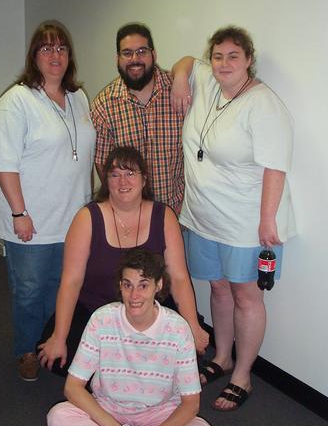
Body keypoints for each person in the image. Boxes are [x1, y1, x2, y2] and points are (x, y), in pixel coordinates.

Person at [171, 26, 296, 411]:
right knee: (218, 288)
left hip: (245, 223)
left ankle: (243, 375)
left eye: (233, 57)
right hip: (203, 217)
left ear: (249, 60)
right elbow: (186, 62)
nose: (224, 64)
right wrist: (180, 78)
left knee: (246, 296)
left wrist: (267, 221)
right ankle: (222, 357)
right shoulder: (209, 81)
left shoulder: (264, 104)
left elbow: (275, 167)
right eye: (218, 56)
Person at [46, 249, 221, 426]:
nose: (134, 295)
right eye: (127, 285)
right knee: (58, 417)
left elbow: (191, 404)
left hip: (159, 411)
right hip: (109, 407)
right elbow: (72, 387)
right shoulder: (102, 319)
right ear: (120, 286)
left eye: (143, 285)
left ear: (158, 285)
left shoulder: (178, 329)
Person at [0, 20, 95, 381]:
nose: (55, 55)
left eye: (61, 48)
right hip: (29, 217)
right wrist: (19, 212)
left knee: (62, 285)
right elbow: (4, 163)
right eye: (46, 48)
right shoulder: (16, 101)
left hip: (71, 215)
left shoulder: (78, 98)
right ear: (34, 56)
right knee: (30, 290)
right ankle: (26, 349)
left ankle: (52, 343)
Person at [38, 146, 209, 374]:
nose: (123, 181)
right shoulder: (87, 218)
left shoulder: (164, 215)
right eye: (115, 175)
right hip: (96, 310)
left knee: (181, 355)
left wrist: (192, 326)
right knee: (64, 361)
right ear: (106, 181)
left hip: (150, 309)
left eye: (130, 173)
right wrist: (59, 337)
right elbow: (71, 282)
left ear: (144, 179)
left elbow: (178, 278)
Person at [90, 23, 184, 214]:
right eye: (127, 53)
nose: (135, 59)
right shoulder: (104, 105)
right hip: (131, 217)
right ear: (117, 58)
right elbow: (103, 165)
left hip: (180, 213)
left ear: (153, 54)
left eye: (142, 51)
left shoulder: (178, 91)